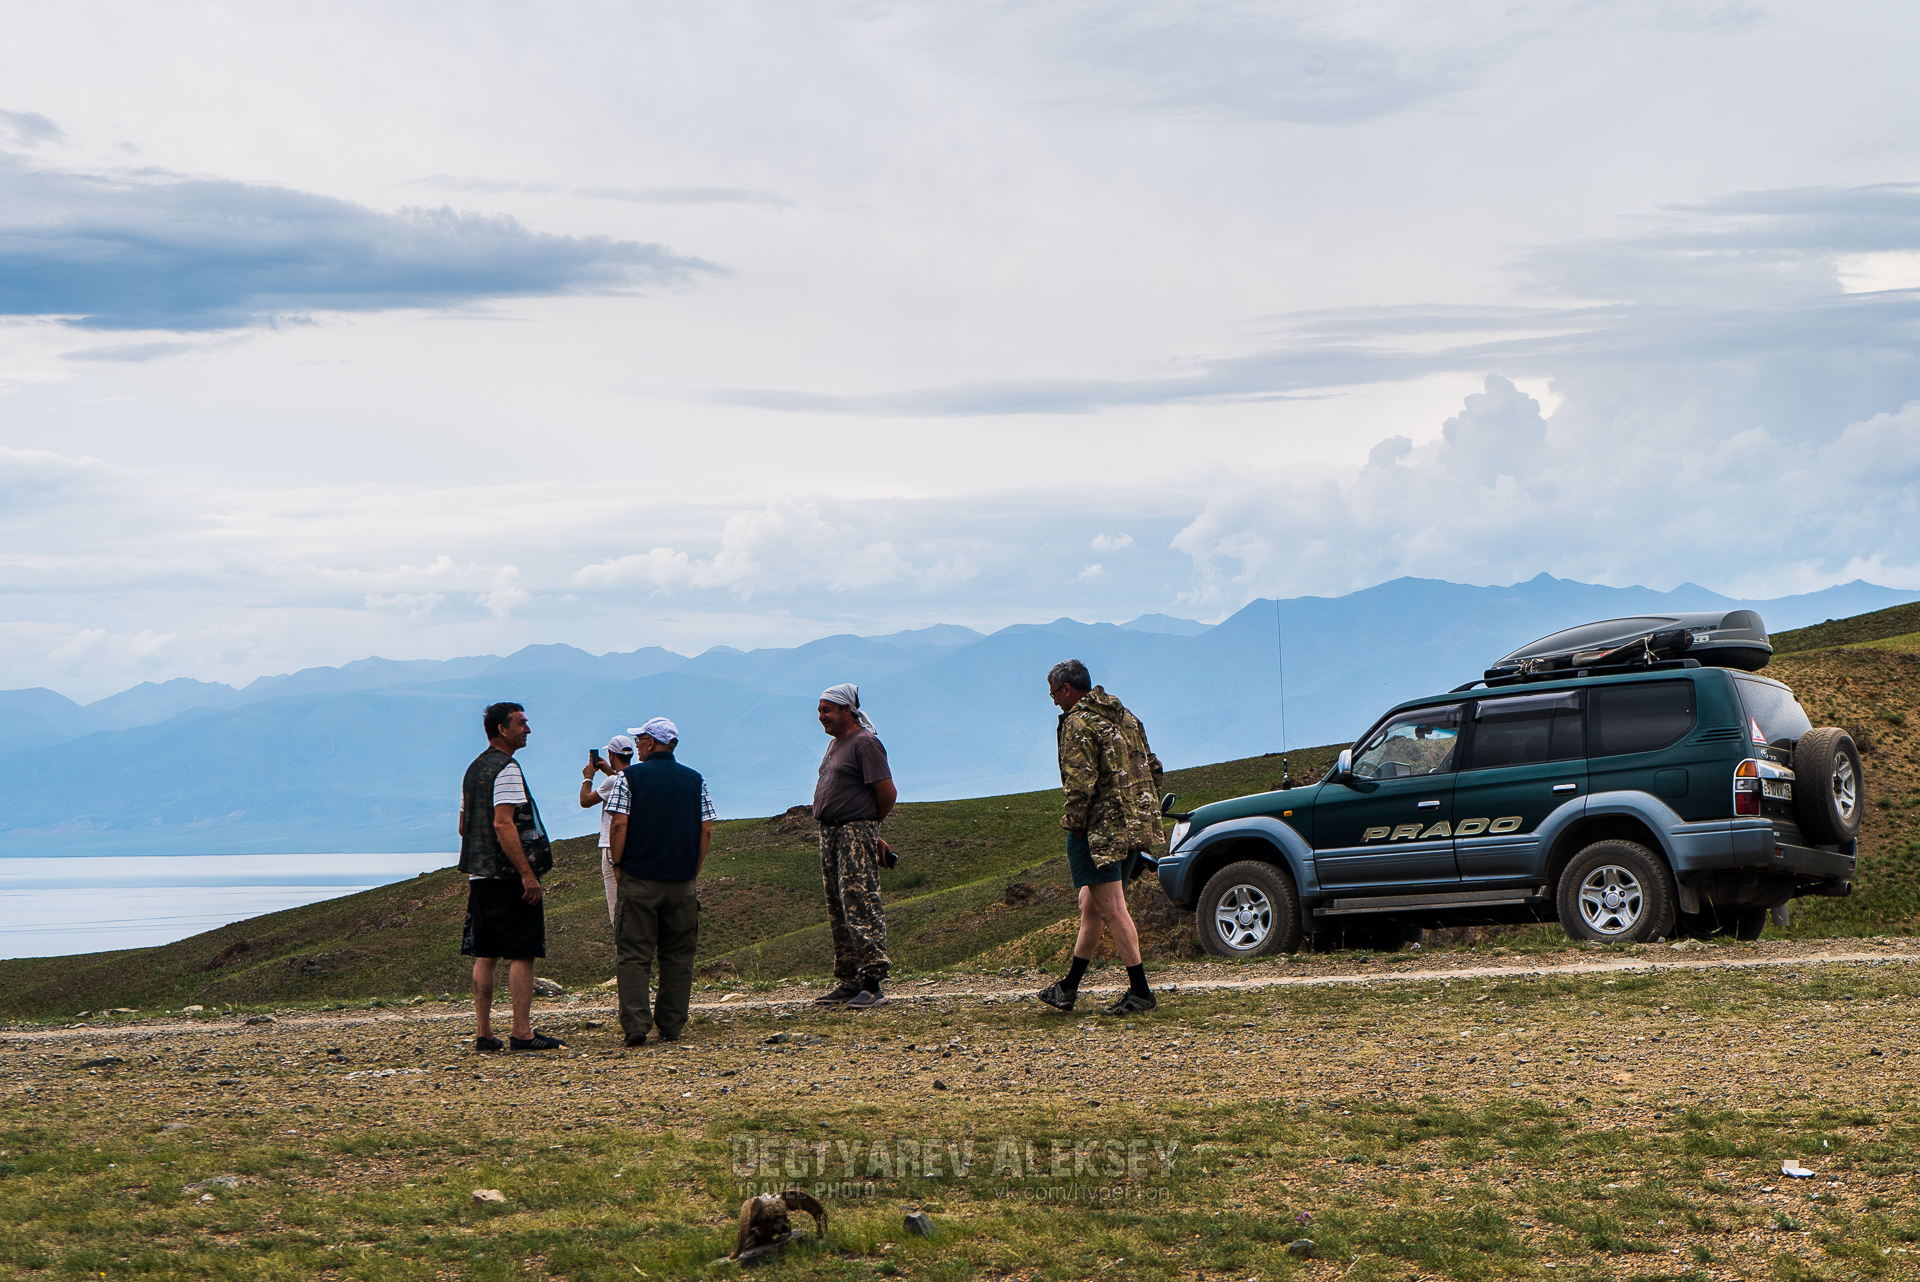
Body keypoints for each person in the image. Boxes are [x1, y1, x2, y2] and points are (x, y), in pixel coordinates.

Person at [1037, 659, 1164, 1017]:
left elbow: (1079, 785)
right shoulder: (1123, 715)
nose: (1054, 701)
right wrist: (1141, 812)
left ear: (1066, 689)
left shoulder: (1078, 723)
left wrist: (1076, 826)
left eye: (1053, 694)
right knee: (1089, 905)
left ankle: (1141, 993)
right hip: (1132, 826)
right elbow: (1153, 766)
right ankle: (1068, 988)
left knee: (1111, 909)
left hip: (1099, 832)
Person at [458, 701, 566, 1052]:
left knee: (485, 952)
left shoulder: (473, 770)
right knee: (523, 951)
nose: (528, 729)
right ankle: (522, 1031)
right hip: (507, 877)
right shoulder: (507, 769)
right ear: (502, 730)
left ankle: (484, 1033)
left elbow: (464, 826)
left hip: (479, 875)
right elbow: (503, 822)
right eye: (521, 724)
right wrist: (527, 874)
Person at [604, 717, 714, 1047]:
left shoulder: (628, 778)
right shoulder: (695, 780)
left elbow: (619, 825)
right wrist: (693, 870)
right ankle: (671, 1025)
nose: (636, 746)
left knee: (635, 954)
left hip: (639, 878)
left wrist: (618, 864)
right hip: (681, 881)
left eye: (640, 741)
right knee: (678, 956)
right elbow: (706, 829)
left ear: (651, 744)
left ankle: (636, 1025)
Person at [810, 683, 896, 1011]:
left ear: (847, 710)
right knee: (838, 905)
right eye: (820, 710)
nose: (821, 716)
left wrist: (868, 828)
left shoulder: (865, 743)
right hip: (832, 834)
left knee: (859, 902)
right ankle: (849, 980)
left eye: (827, 710)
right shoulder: (837, 744)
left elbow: (886, 792)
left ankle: (873, 983)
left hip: (852, 832)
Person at [580, 732, 636, 922]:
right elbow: (622, 779)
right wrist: (609, 771)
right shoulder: (635, 778)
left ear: (612, 755)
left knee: (616, 903)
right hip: (634, 844)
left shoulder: (612, 782)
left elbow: (585, 801)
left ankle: (621, 941)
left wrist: (588, 777)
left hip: (612, 846)